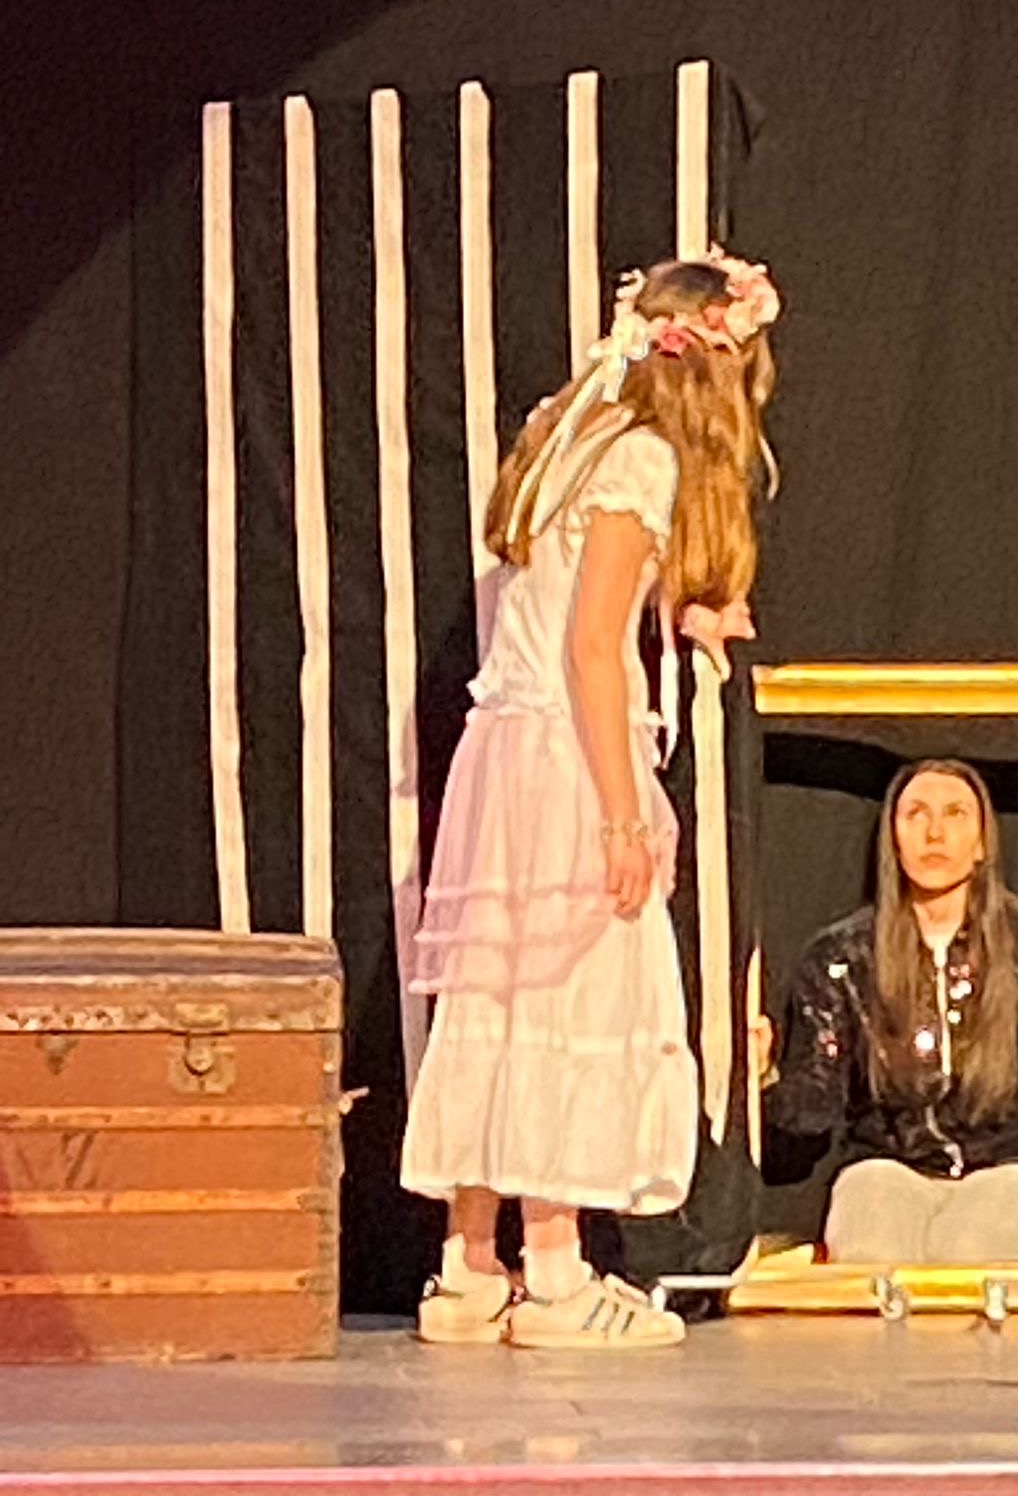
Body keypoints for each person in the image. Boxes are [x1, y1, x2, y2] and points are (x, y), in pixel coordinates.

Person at [398, 250, 782, 1348]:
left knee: (500, 999)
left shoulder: (570, 433)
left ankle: (470, 1270)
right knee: (572, 1000)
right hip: (568, 756)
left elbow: (566, 591)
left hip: (506, 751)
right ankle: (558, 1277)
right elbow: (588, 647)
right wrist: (622, 814)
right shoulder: (645, 460)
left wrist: (685, 610)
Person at [763, 760, 1018, 1264]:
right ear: (892, 839)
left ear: (982, 843)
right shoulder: (842, 954)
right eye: (916, 814)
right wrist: (762, 1077)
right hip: (887, 1164)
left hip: (1011, 1165)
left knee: (964, 1253)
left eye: (955, 813)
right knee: (872, 1255)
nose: (935, 833)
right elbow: (811, 1108)